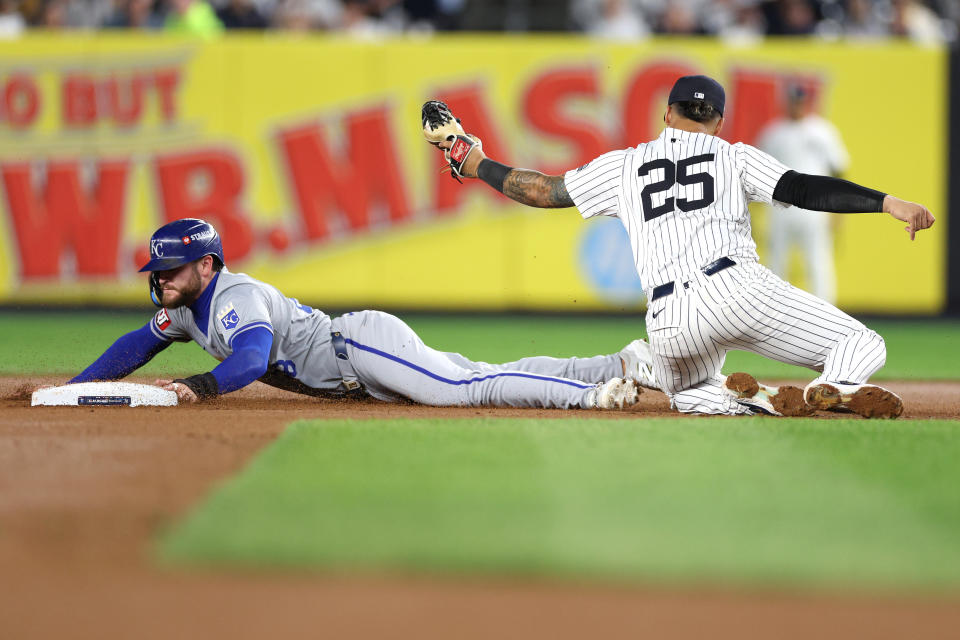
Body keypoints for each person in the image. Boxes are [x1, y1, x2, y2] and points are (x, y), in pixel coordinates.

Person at [430, 75, 934, 418]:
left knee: (689, 393)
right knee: (863, 343)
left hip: (669, 319)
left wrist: (476, 163)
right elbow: (802, 188)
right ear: (717, 121)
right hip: (737, 289)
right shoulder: (731, 154)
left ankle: (757, 399)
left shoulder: (623, 164)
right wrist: (885, 202)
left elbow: (539, 191)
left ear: (667, 114)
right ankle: (836, 391)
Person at [68, 218, 658, 410]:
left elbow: (250, 359)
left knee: (467, 390)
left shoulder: (233, 298)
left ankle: (590, 395)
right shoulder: (187, 307)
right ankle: (616, 362)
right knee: (478, 370)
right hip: (360, 363)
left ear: (208, 264)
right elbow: (136, 344)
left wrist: (200, 385)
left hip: (359, 347)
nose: (161, 278)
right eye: (157, 270)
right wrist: (73, 389)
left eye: (172, 268)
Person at [757, 84, 849, 304]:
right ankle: (774, 311)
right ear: (786, 102)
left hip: (815, 207)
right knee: (777, 263)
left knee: (818, 263)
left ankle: (827, 314)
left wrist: (838, 210)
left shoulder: (823, 131)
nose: (796, 105)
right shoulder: (773, 132)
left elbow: (839, 169)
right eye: (792, 100)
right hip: (780, 207)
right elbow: (759, 173)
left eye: (800, 101)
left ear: (807, 103)